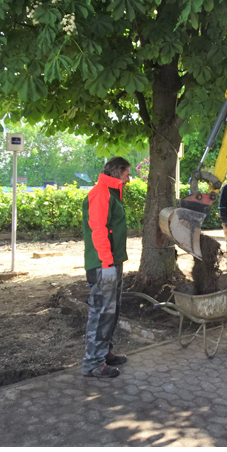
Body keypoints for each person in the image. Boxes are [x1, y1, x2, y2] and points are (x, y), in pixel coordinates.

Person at [81, 157, 131, 379]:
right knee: (101, 313)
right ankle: (93, 364)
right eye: (127, 174)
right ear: (118, 172)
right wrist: (107, 263)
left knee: (111, 311)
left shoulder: (111, 193)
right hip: (104, 265)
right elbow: (98, 229)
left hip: (112, 262)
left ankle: (104, 353)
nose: (129, 178)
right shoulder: (101, 193)